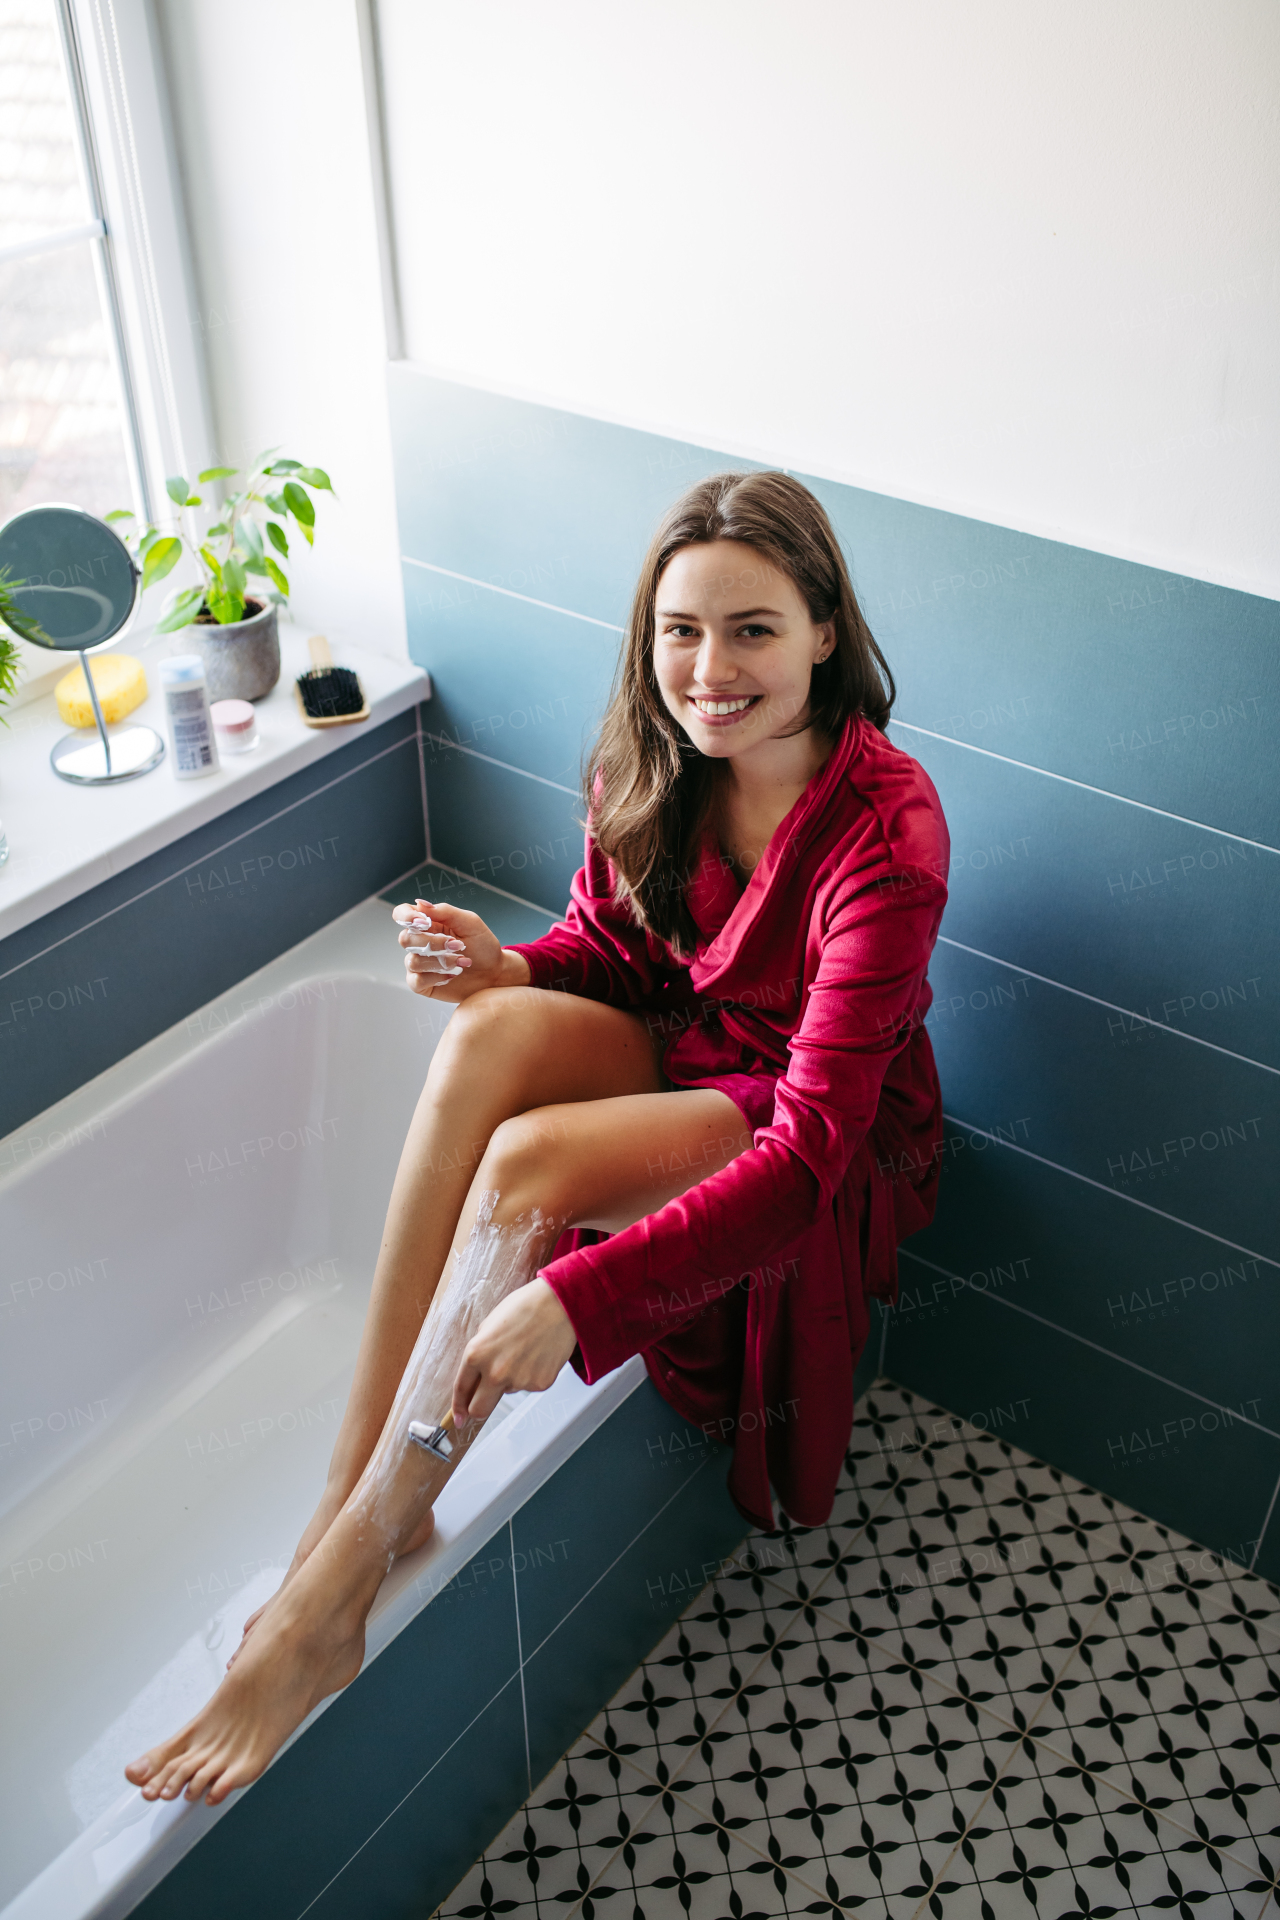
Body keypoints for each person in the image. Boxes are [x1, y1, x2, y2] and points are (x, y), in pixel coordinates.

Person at [126, 470, 949, 1809]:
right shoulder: (649, 752)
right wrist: (509, 967)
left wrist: (582, 1291)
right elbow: (620, 954)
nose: (710, 669)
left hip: (804, 1113)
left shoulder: (889, 832)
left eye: (752, 628)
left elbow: (806, 1152)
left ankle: (334, 1589)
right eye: (681, 631)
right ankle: (357, 1497)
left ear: (823, 630)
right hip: (692, 1051)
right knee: (486, 1040)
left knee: (524, 1170)